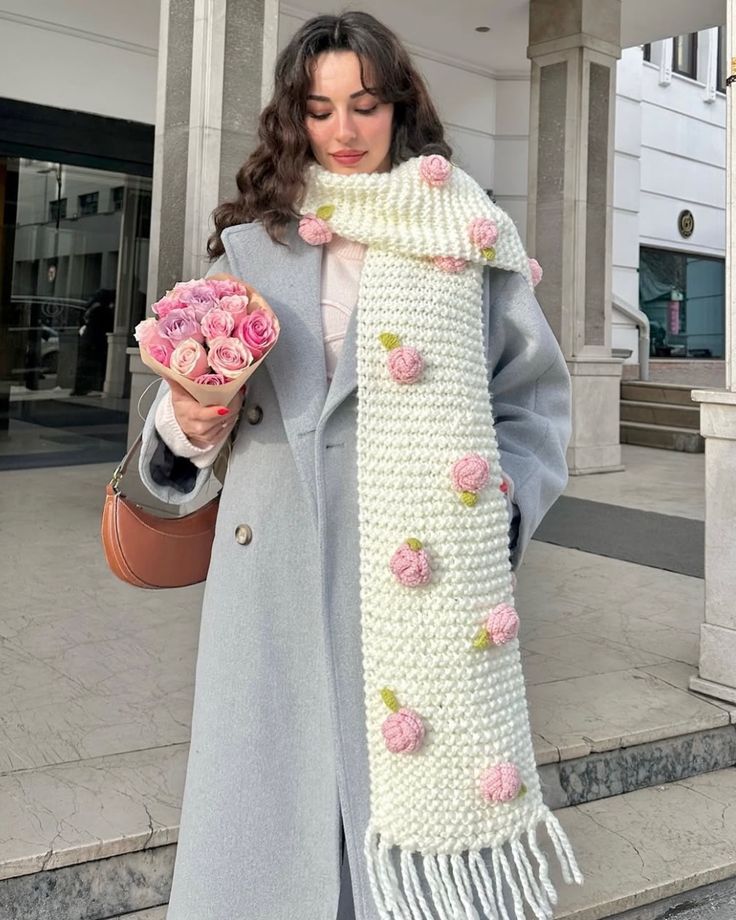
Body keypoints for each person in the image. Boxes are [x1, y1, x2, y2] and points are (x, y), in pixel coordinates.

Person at [138, 12, 579, 920]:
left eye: (365, 106)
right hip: (272, 589)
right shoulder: (252, 243)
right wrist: (187, 419)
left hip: (418, 585)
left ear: (399, 108)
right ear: (292, 118)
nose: (343, 132)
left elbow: (534, 405)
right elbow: (182, 419)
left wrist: (488, 524)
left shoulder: (465, 234)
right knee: (272, 844)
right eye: (321, 108)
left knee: (385, 861)